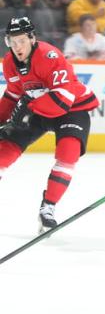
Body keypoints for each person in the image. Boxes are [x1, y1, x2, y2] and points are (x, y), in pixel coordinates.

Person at [0, 17, 99, 233]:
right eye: (12, 42)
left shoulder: (49, 55)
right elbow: (12, 94)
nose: (17, 47)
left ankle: (48, 207)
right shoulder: (9, 61)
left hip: (72, 108)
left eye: (21, 41)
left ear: (32, 38)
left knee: (68, 152)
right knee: (5, 149)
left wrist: (28, 109)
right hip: (37, 106)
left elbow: (62, 99)